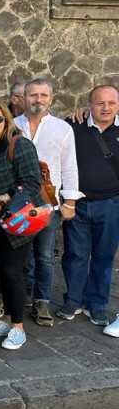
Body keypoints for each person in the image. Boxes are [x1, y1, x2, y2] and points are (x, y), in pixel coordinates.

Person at [0, 99, 43, 351]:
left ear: (6, 120)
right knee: (2, 271)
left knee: (12, 272)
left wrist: (1, 199)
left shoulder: (19, 144)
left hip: (15, 221)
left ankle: (18, 328)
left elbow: (32, 183)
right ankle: (7, 320)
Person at [14, 78, 82, 326]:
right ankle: (19, 297)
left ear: (51, 99)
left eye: (43, 95)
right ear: (24, 98)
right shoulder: (11, 125)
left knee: (43, 255)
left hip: (47, 204)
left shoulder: (62, 129)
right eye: (33, 95)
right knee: (18, 255)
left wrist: (70, 202)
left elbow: (69, 166)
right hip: (17, 204)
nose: (38, 99)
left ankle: (41, 300)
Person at [59, 85, 119, 331]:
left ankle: (96, 304)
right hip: (77, 204)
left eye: (111, 103)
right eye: (100, 103)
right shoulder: (72, 126)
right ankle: (73, 300)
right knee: (75, 254)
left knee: (104, 257)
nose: (106, 108)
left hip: (111, 204)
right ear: (89, 105)